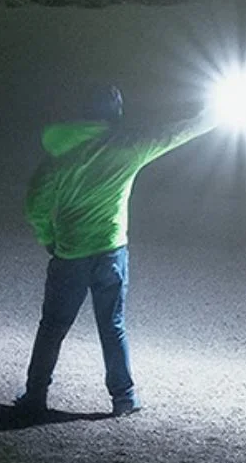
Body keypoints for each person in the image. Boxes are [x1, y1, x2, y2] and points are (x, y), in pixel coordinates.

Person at [14, 83, 215, 419]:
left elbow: (35, 204)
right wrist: (213, 117)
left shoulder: (60, 155)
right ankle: (124, 397)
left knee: (52, 326)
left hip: (70, 253)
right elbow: (172, 135)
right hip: (111, 250)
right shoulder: (128, 147)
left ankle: (35, 395)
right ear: (116, 113)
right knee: (113, 325)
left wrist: (49, 237)